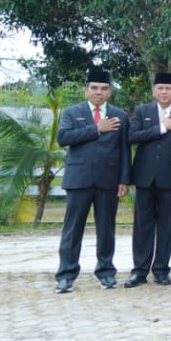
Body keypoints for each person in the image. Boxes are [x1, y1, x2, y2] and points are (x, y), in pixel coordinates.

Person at [54, 68, 130, 293]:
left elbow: (125, 150)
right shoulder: (71, 112)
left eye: (104, 88)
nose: (99, 92)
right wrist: (96, 128)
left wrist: (124, 180)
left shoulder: (120, 115)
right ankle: (66, 275)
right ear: (86, 90)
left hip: (109, 180)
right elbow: (63, 138)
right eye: (94, 88)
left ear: (110, 91)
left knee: (106, 229)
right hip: (79, 179)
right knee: (72, 229)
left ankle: (106, 272)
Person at [125, 71, 171, 288]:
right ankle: (139, 270)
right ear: (153, 91)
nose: (164, 92)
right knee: (142, 226)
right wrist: (163, 127)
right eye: (160, 88)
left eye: (168, 88)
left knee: (166, 225)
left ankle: (162, 270)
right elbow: (132, 137)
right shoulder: (142, 111)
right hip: (145, 177)